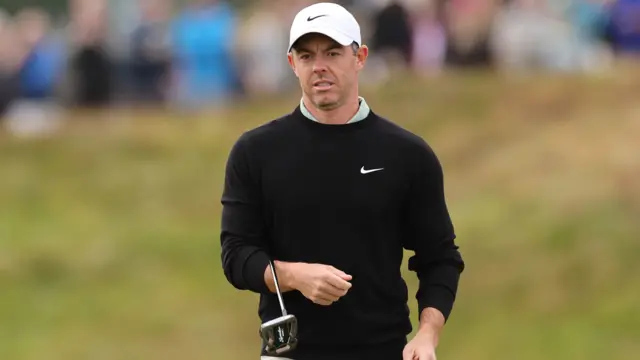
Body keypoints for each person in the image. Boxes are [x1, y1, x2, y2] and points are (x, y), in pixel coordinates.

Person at [220, 3, 465, 360]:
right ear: (292, 64)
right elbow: (236, 255)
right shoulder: (256, 152)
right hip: (289, 353)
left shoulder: (406, 155)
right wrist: (295, 276)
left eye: (332, 53)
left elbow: (440, 258)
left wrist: (427, 335)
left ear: (360, 57)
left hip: (380, 350)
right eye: (306, 56)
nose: (319, 66)